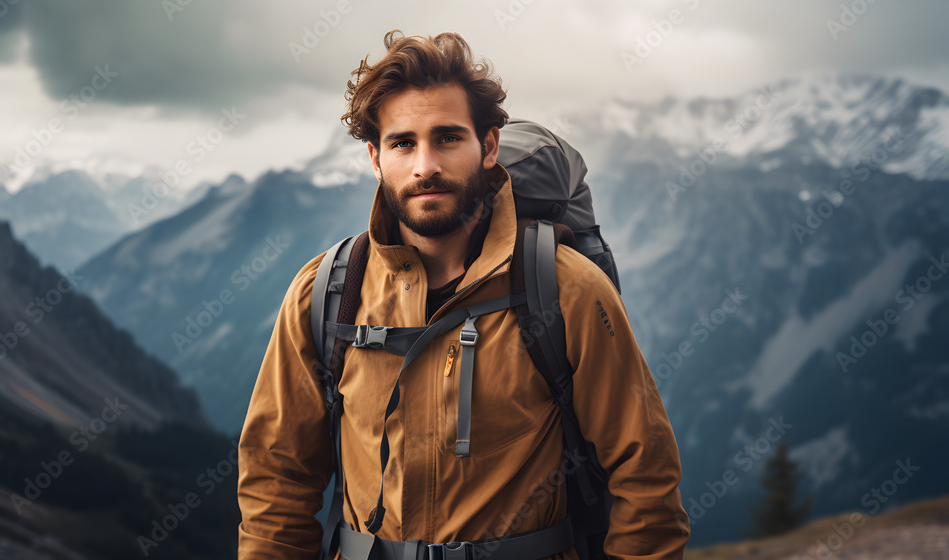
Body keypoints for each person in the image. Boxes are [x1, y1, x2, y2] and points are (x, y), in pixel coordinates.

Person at [237, 29, 690, 560]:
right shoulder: (327, 292)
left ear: (489, 146)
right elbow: (277, 478)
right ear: (375, 158)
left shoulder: (566, 289)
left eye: (448, 138)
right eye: (402, 143)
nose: (425, 165)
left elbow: (646, 480)